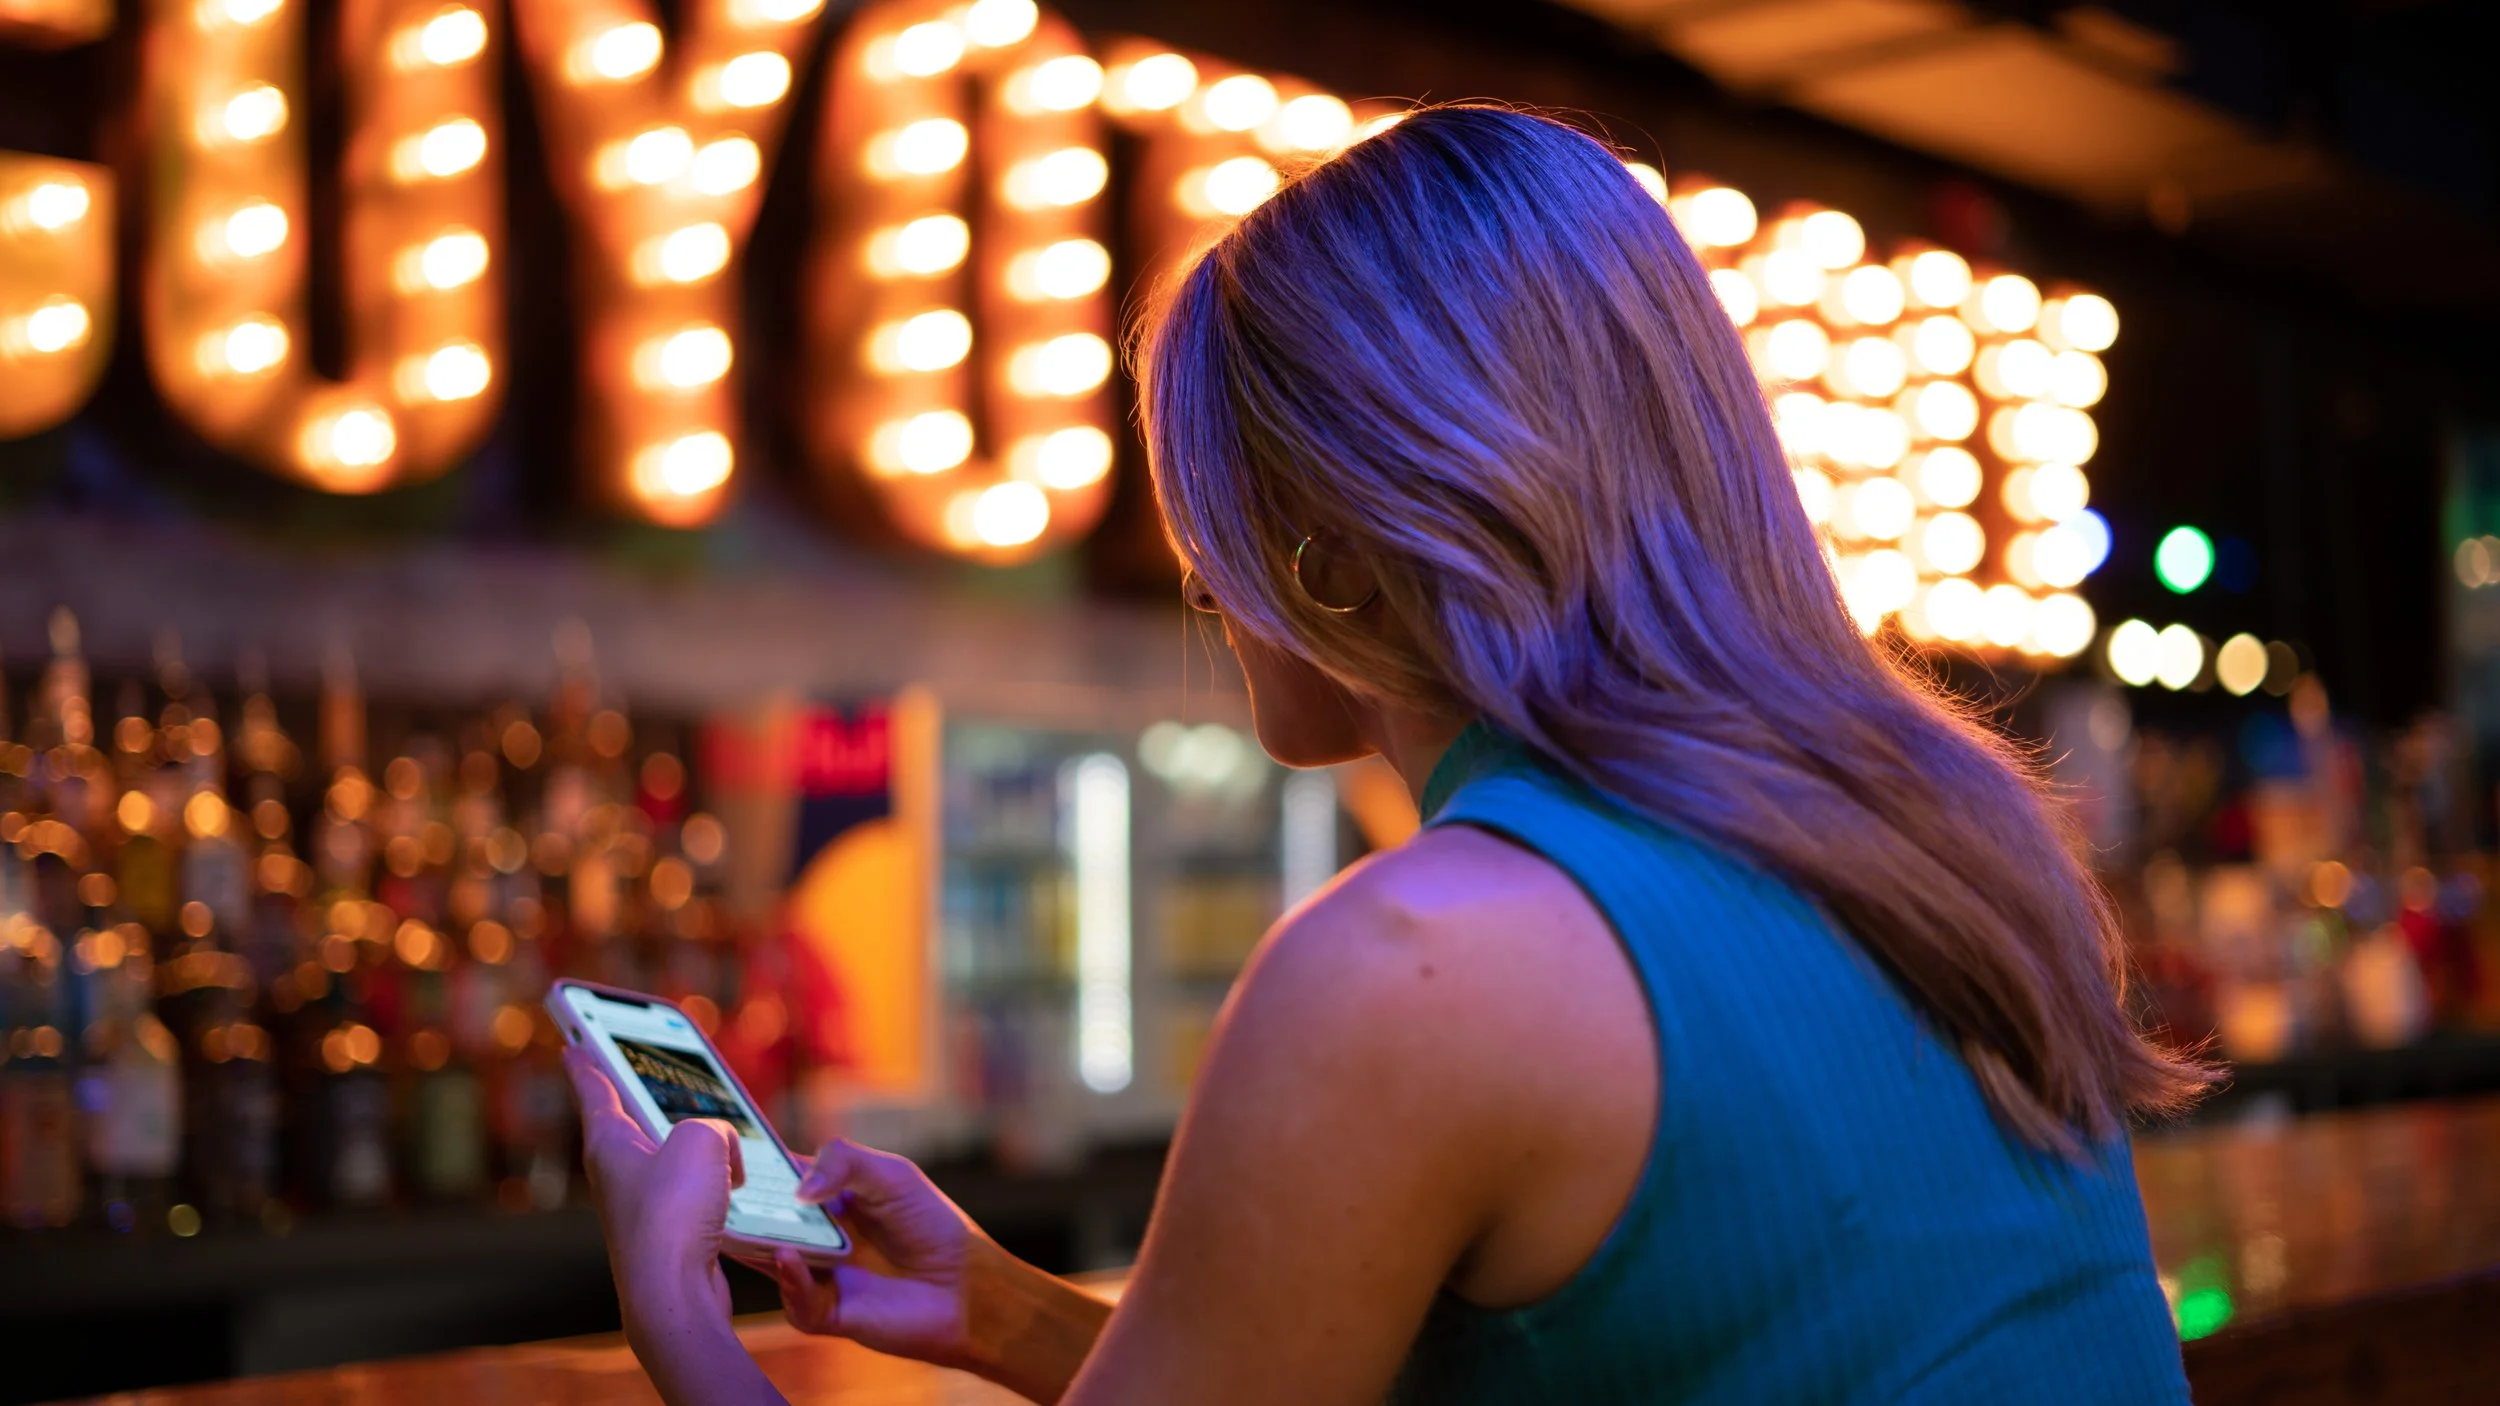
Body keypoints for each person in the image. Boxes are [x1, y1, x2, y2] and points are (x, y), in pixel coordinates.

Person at [563, 104, 2208, 1405]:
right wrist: (1006, 1313)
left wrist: (684, 1327)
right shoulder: (1961, 840)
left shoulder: (1414, 964)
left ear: (1334, 567)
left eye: (1208, 516)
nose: (1198, 585)